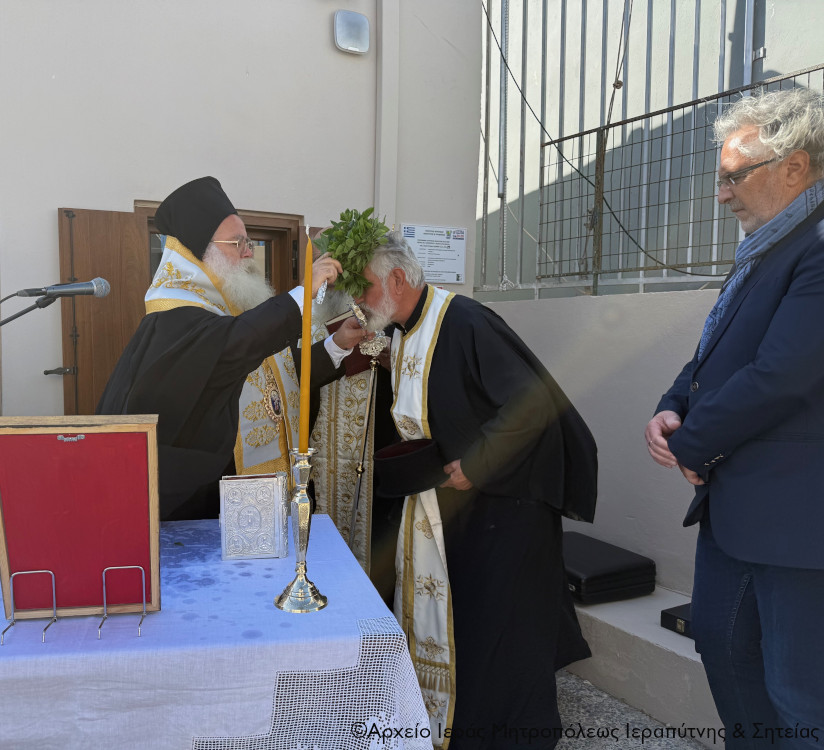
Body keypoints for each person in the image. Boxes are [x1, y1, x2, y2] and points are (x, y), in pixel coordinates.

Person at [353, 231, 596, 749]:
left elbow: (531, 403)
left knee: (502, 634)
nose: (360, 299)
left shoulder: (464, 320)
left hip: (505, 508)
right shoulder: (402, 329)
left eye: (365, 286)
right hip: (454, 508)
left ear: (397, 280)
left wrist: (479, 464)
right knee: (468, 628)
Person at [645, 88, 824, 746]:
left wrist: (692, 442)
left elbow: (781, 374)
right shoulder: (767, 248)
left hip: (800, 525)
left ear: (794, 167)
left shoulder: (815, 246)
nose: (721, 194)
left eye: (733, 176)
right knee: (724, 652)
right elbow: (715, 353)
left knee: (800, 695)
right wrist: (672, 407)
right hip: (738, 512)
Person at [97, 177, 368, 521]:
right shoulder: (175, 319)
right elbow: (236, 345)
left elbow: (275, 374)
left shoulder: (225, 311)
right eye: (237, 242)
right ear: (199, 252)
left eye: (248, 241)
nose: (249, 252)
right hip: (205, 501)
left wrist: (336, 345)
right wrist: (302, 294)